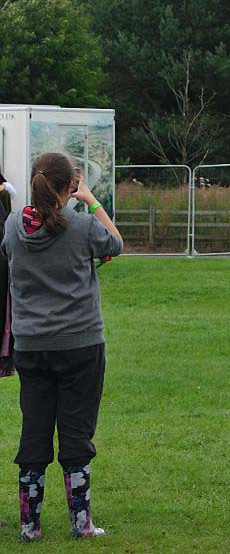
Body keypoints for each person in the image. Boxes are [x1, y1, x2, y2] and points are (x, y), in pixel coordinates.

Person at [1, 153, 122, 542]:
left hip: (31, 345)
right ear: (69, 186)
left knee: (34, 431)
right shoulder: (83, 225)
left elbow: (12, 253)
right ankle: (81, 523)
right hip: (80, 343)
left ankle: (29, 526)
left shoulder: (12, 225)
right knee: (76, 433)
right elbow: (116, 243)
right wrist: (91, 200)